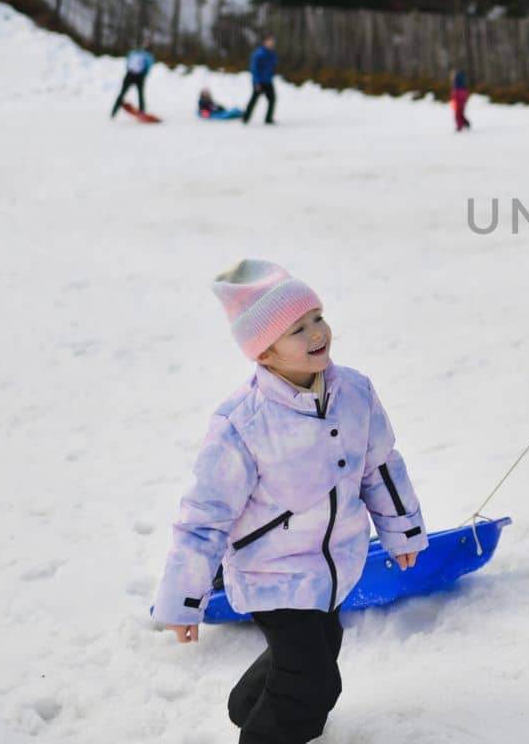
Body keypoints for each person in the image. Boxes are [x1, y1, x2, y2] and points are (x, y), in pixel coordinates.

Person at [153, 259, 429, 742]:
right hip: (272, 572)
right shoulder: (242, 424)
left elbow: (380, 466)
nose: (316, 332)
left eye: (316, 317)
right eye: (296, 329)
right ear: (264, 354)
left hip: (334, 564)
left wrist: (400, 528)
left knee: (322, 645)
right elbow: (204, 518)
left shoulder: (356, 393)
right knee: (312, 681)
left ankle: (249, 705)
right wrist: (185, 597)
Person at [111, 43, 154, 118]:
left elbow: (127, 62)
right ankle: (142, 111)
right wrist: (144, 74)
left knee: (122, 93)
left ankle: (114, 111)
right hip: (139, 76)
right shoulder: (148, 56)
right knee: (140, 94)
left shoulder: (133, 53)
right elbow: (148, 67)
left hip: (129, 74)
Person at [244, 35, 278, 125]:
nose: (271, 44)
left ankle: (268, 119)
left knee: (272, 99)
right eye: (269, 42)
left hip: (268, 81)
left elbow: (273, 65)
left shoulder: (272, 54)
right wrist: (256, 82)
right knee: (254, 99)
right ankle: (245, 117)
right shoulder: (259, 54)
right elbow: (254, 69)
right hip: (259, 81)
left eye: (272, 43)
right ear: (265, 42)